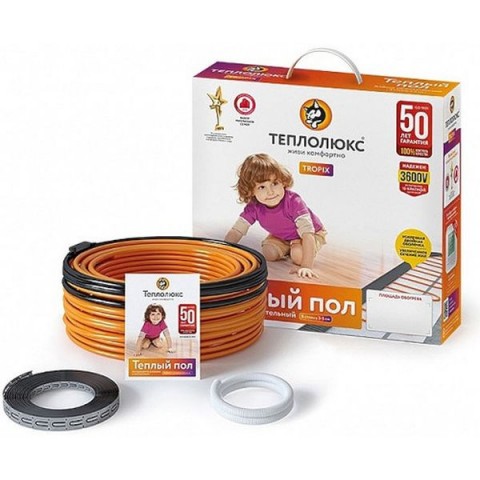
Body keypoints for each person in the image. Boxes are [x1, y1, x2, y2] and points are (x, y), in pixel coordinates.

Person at [225, 153, 326, 278]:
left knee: (298, 257)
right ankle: (290, 245)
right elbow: (237, 231)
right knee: (269, 253)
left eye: (275, 183)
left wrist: (306, 266)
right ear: (251, 191)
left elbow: (307, 234)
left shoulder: (294, 201)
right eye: (262, 187)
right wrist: (224, 250)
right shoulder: (254, 206)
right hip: (282, 235)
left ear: (283, 182)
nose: (271, 192)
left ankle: (295, 246)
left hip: (311, 233)